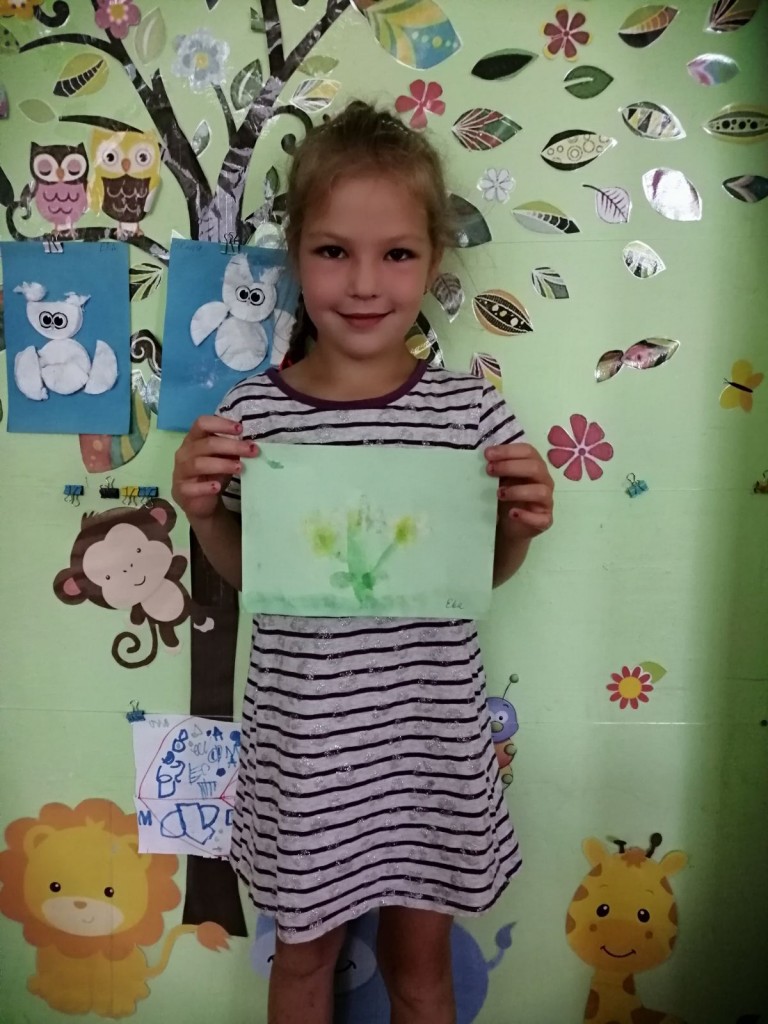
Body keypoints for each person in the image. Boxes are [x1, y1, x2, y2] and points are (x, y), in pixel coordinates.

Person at [172, 100, 554, 1024]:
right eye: (334, 251)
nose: (365, 283)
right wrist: (202, 512)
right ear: (294, 256)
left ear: (434, 261)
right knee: (301, 963)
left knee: (421, 971)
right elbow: (256, 574)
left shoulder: (471, 415)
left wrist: (518, 529)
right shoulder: (252, 415)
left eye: (398, 254)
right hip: (306, 751)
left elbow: (469, 581)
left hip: (428, 747)